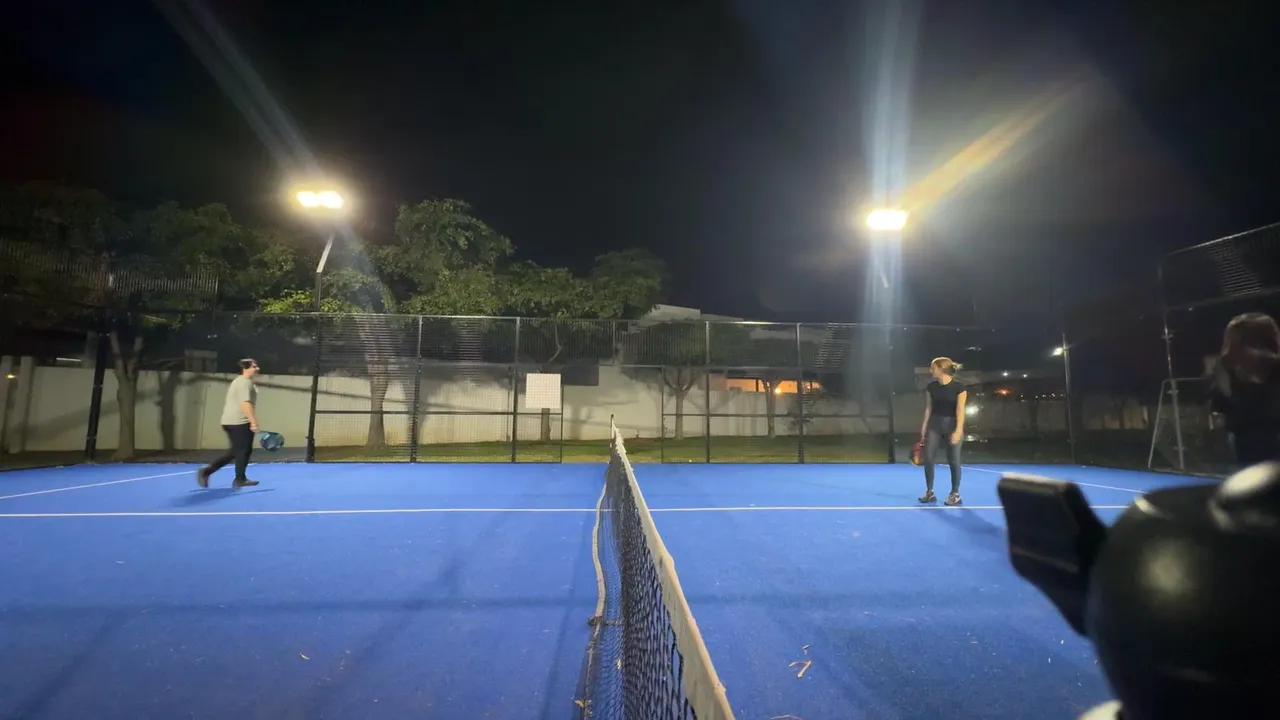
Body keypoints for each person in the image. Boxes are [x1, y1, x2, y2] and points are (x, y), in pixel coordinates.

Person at [1208, 312, 1280, 468]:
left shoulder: (1273, 369)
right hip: (1245, 445)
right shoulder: (1229, 367)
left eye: (1236, 341)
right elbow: (1219, 404)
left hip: (1268, 444)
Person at [198, 358, 262, 488]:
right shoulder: (244, 382)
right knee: (243, 451)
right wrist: (253, 422)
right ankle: (239, 479)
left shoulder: (243, 382)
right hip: (238, 422)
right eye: (254, 366)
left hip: (233, 421)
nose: (257, 368)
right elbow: (245, 403)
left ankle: (207, 472)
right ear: (245, 368)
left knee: (237, 451)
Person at [918, 356, 968, 506]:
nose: (930, 370)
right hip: (934, 424)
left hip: (952, 424)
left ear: (941, 369)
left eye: (933, 367)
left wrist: (958, 430)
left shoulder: (959, 388)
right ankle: (929, 492)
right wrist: (924, 426)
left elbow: (960, 410)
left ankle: (955, 494)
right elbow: (929, 408)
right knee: (928, 459)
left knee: (953, 460)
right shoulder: (931, 387)